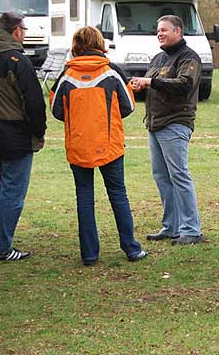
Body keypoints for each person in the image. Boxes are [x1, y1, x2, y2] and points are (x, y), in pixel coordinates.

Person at [50, 27, 147, 266]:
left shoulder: (66, 75)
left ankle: (89, 255)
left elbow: (55, 110)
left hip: (78, 144)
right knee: (118, 195)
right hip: (109, 144)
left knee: (84, 198)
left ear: (76, 45)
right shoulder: (112, 72)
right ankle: (131, 249)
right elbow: (129, 106)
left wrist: (78, 121)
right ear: (100, 44)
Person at [0, 12, 46, 262]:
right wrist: (38, 131)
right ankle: (0, 248)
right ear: (17, 31)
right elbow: (34, 102)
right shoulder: (17, 60)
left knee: (4, 189)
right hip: (15, 133)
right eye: (24, 30)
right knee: (13, 193)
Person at [131, 15, 204, 245]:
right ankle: (171, 227)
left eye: (164, 30)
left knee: (179, 175)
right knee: (162, 177)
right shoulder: (157, 58)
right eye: (157, 30)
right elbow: (152, 89)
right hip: (155, 124)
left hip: (175, 123)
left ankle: (191, 229)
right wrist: (140, 87)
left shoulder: (189, 57)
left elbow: (184, 85)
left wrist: (150, 82)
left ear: (178, 31)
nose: (159, 33)